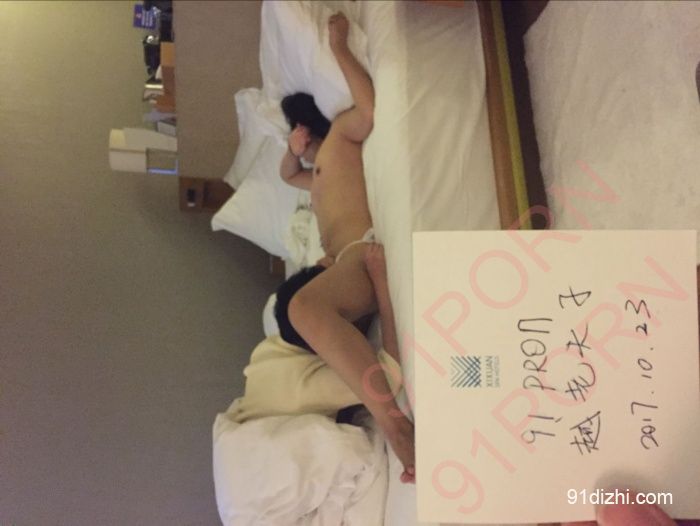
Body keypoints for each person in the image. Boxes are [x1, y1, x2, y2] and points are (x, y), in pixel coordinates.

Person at [274, 12, 416, 484]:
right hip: (349, 260)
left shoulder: (337, 137)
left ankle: (393, 423)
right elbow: (287, 175)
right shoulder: (314, 173)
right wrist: (291, 151)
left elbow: (369, 112)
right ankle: (392, 415)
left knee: (299, 309)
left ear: (306, 124)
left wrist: (339, 47)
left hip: (359, 250)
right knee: (299, 312)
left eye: (296, 132)